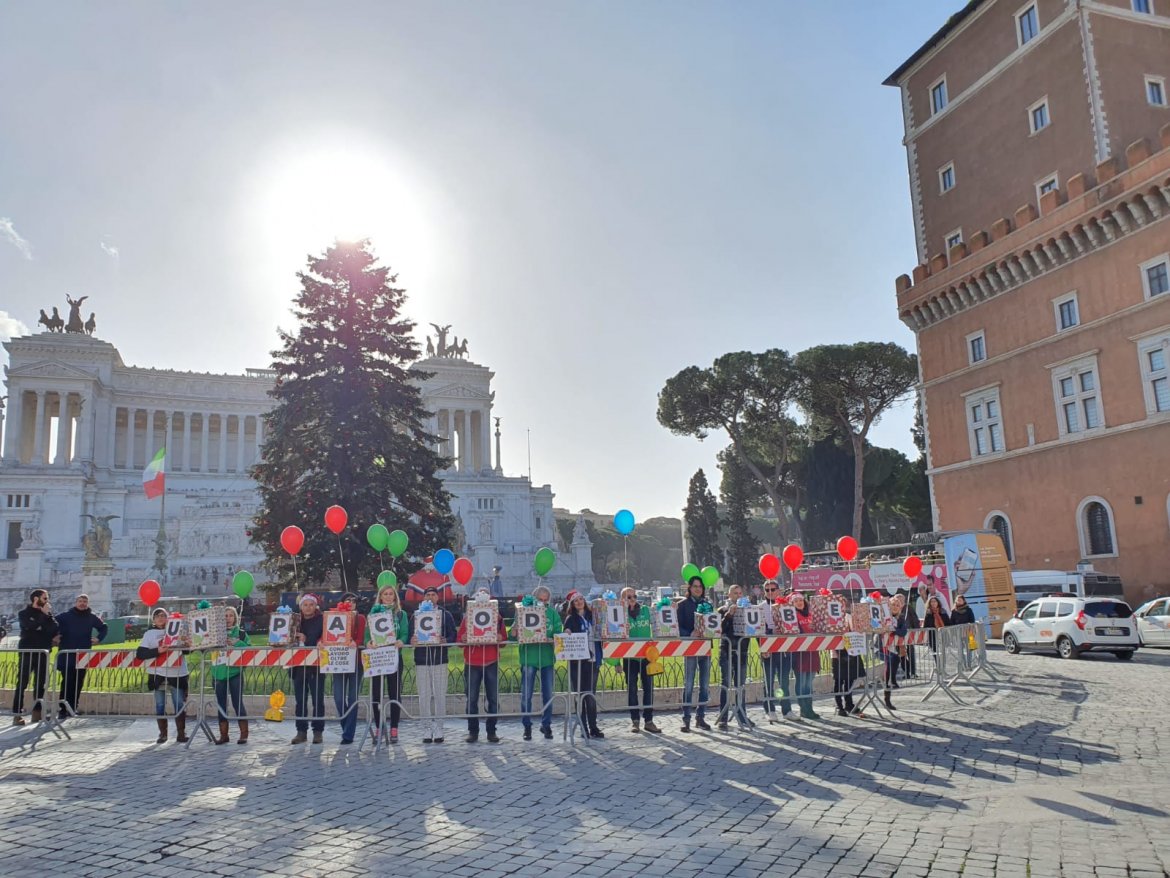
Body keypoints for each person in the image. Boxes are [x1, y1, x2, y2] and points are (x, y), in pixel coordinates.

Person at [458, 589, 508, 743]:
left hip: (491, 661)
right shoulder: (467, 618)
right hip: (472, 662)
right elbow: (459, 640)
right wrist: (464, 638)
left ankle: (491, 731)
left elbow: (504, 641)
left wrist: (500, 638)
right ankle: (473, 731)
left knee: (493, 699)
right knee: (471, 699)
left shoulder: (497, 618)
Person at [513, 584, 562, 741]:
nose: (542, 603)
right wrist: (515, 629)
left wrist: (552, 638)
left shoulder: (553, 613)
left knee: (547, 693)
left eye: (545, 601)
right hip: (529, 657)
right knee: (526, 694)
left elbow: (558, 632)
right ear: (534, 599)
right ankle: (527, 726)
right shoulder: (523, 611)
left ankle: (546, 725)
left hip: (547, 657)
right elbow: (514, 633)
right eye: (540, 600)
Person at [135, 608, 190, 744]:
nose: (160, 618)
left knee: (178, 703)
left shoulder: (177, 630)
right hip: (157, 674)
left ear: (168, 618)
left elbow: (186, 651)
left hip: (176, 673)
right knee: (160, 705)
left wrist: (187, 645)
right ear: (153, 619)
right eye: (157, 616)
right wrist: (158, 651)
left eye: (163, 615)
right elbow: (141, 653)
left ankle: (181, 733)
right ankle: (163, 734)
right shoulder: (149, 634)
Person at [411, 585, 457, 744]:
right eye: (427, 595)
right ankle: (426, 727)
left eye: (433, 594)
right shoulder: (416, 615)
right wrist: (412, 641)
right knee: (423, 695)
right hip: (421, 660)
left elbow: (453, 634)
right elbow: (410, 636)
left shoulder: (445, 614)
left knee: (439, 695)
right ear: (423, 598)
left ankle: (439, 727)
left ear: (438, 598)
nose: (430, 597)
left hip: (440, 659)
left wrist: (447, 640)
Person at [367, 583, 409, 744]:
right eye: (385, 594)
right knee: (376, 694)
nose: (388, 597)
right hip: (378, 658)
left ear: (395, 597)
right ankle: (379, 727)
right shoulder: (373, 613)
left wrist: (401, 640)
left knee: (394, 693)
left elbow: (405, 632)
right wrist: (368, 642)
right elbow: (367, 634)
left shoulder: (401, 614)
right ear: (380, 596)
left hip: (393, 657)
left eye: (391, 594)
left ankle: (394, 728)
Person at [55, 593, 108, 719]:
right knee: (67, 682)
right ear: (76, 602)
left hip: (83, 655)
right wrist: (55, 636)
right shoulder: (65, 616)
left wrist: (99, 638)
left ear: (87, 603)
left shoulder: (91, 617)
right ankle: (63, 709)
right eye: (80, 601)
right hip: (67, 654)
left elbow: (104, 627)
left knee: (78, 682)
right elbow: (52, 623)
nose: (82, 603)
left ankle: (73, 708)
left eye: (85, 601)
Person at [13, 589, 58, 725]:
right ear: (35, 599)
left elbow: (54, 628)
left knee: (40, 683)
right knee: (22, 682)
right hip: (28, 651)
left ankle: (37, 713)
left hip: (43, 651)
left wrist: (45, 618)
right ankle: (17, 714)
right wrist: (42, 618)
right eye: (45, 598)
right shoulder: (24, 613)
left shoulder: (47, 615)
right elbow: (29, 626)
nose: (47, 601)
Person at [563, 591, 603, 738]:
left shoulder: (593, 615)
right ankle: (583, 727)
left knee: (590, 695)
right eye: (576, 601)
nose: (579, 602)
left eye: (581, 599)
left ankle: (594, 727)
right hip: (578, 662)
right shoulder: (571, 619)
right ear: (572, 604)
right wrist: (567, 632)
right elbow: (566, 633)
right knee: (580, 695)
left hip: (592, 659)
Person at [620, 586, 660, 733]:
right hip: (630, 657)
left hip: (647, 656)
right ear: (622, 600)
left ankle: (649, 721)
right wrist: (616, 662)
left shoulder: (645, 610)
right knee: (632, 689)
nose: (632, 600)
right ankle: (635, 721)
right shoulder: (620, 614)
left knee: (648, 688)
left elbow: (658, 620)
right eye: (628, 597)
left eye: (634, 596)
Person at [210, 606, 250, 745]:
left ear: (235, 618)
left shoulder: (241, 633)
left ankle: (244, 734)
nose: (227, 618)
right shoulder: (214, 633)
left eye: (230, 616)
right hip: (218, 673)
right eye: (225, 616)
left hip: (235, 673)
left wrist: (237, 643)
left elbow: (251, 651)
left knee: (237, 702)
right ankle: (223, 735)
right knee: (221, 704)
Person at [677, 576, 712, 732]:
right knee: (689, 684)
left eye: (700, 586)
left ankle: (701, 717)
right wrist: (689, 633)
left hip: (705, 648)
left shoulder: (708, 605)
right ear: (689, 588)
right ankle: (686, 719)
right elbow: (677, 626)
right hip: (690, 647)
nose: (698, 588)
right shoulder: (682, 606)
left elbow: (713, 624)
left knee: (704, 685)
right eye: (695, 586)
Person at [332, 593, 367, 745]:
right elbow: (328, 634)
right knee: (339, 697)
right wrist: (321, 642)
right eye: (348, 600)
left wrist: (354, 642)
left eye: (354, 601)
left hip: (355, 662)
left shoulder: (360, 618)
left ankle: (348, 734)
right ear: (342, 602)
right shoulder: (335, 616)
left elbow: (361, 638)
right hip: (338, 661)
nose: (351, 603)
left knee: (353, 698)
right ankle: (346, 724)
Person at [291, 594, 326, 744]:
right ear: (301, 607)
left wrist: (307, 640)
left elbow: (323, 639)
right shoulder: (294, 621)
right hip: (298, 666)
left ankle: (318, 731)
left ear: (315, 606)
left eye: (311, 604)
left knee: (318, 699)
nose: (308, 607)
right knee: (300, 700)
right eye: (305, 605)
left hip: (316, 666)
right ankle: (301, 731)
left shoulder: (322, 620)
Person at [717, 584, 750, 730]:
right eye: (735, 593)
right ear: (729, 595)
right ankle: (723, 717)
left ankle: (742, 715)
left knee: (741, 685)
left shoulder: (746, 610)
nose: (738, 595)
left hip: (742, 651)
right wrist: (729, 614)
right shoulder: (722, 610)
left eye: (740, 593)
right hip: (726, 650)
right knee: (726, 684)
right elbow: (719, 629)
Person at [759, 581, 791, 725]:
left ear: (778, 590)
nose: (770, 592)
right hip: (769, 650)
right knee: (769, 681)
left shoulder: (785, 605)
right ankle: (770, 709)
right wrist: (763, 647)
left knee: (784, 681)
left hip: (784, 649)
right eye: (767, 590)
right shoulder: (760, 607)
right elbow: (757, 630)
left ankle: (786, 709)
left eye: (773, 589)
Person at [790, 592, 822, 720]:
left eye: (800, 600)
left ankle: (810, 708)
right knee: (802, 682)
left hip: (812, 651)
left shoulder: (811, 613)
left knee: (809, 682)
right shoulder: (792, 615)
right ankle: (803, 708)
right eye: (795, 601)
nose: (799, 602)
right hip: (800, 652)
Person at [831, 598, 865, 718]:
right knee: (839, 681)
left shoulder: (849, 617)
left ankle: (849, 704)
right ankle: (839, 705)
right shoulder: (831, 618)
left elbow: (856, 631)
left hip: (851, 652)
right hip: (837, 654)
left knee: (850, 680)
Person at [881, 594, 909, 711]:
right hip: (883, 649)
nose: (895, 607)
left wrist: (894, 631)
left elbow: (903, 631)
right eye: (893, 604)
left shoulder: (901, 618)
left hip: (895, 649)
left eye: (897, 605)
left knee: (891, 674)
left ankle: (888, 698)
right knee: (887, 673)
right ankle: (886, 699)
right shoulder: (883, 616)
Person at [948, 594, 976, 669]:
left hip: (969, 632)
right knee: (960, 650)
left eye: (961, 600)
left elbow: (972, 620)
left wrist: (969, 626)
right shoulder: (954, 611)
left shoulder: (968, 610)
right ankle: (963, 665)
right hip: (958, 633)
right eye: (958, 600)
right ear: (956, 601)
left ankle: (969, 664)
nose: (959, 601)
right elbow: (952, 622)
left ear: (964, 601)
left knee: (970, 648)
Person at [898, 589, 921, 680]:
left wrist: (917, 631)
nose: (899, 601)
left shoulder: (908, 608)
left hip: (910, 633)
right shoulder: (894, 608)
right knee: (901, 654)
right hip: (899, 635)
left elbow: (915, 619)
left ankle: (913, 672)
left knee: (911, 653)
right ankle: (906, 672)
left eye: (900, 599)